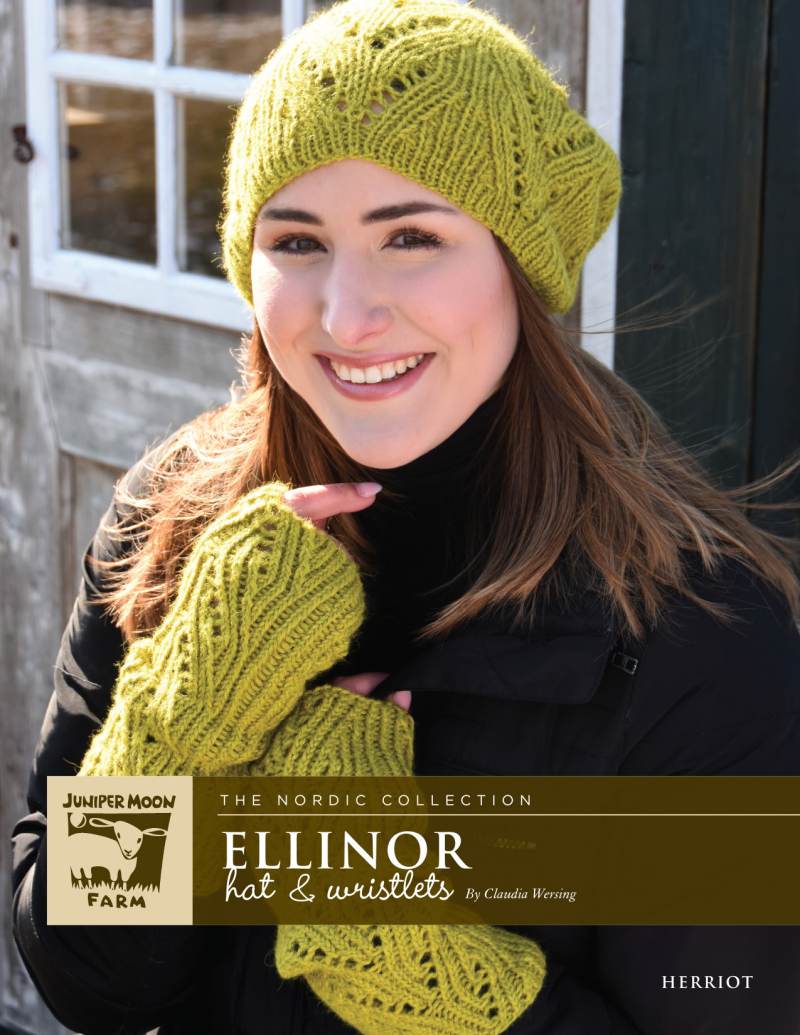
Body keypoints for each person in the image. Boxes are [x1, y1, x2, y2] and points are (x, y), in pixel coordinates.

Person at [10, 0, 800, 1032]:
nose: (346, 315)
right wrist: (182, 729)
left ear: (519, 267)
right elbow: (85, 984)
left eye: (412, 236)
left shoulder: (699, 634)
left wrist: (378, 921)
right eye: (297, 240)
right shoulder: (175, 519)